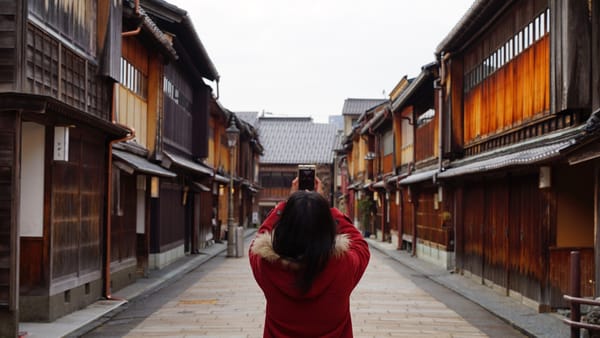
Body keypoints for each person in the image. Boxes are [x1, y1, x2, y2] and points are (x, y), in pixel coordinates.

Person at [249, 177, 370, 337]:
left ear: (284, 227)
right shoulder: (343, 265)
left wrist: (286, 205)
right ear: (327, 227)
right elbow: (360, 244)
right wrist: (323, 206)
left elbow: (257, 242)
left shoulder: (267, 267)